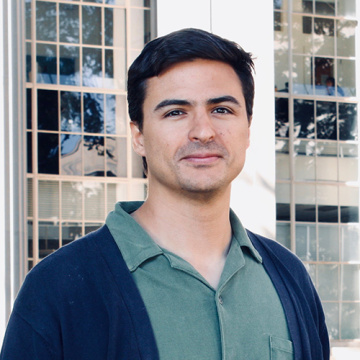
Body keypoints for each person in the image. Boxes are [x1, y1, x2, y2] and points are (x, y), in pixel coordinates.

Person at [1, 28, 329, 360]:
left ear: (247, 128)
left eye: (222, 110)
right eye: (175, 112)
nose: (203, 131)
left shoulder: (290, 277)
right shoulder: (59, 286)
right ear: (139, 135)